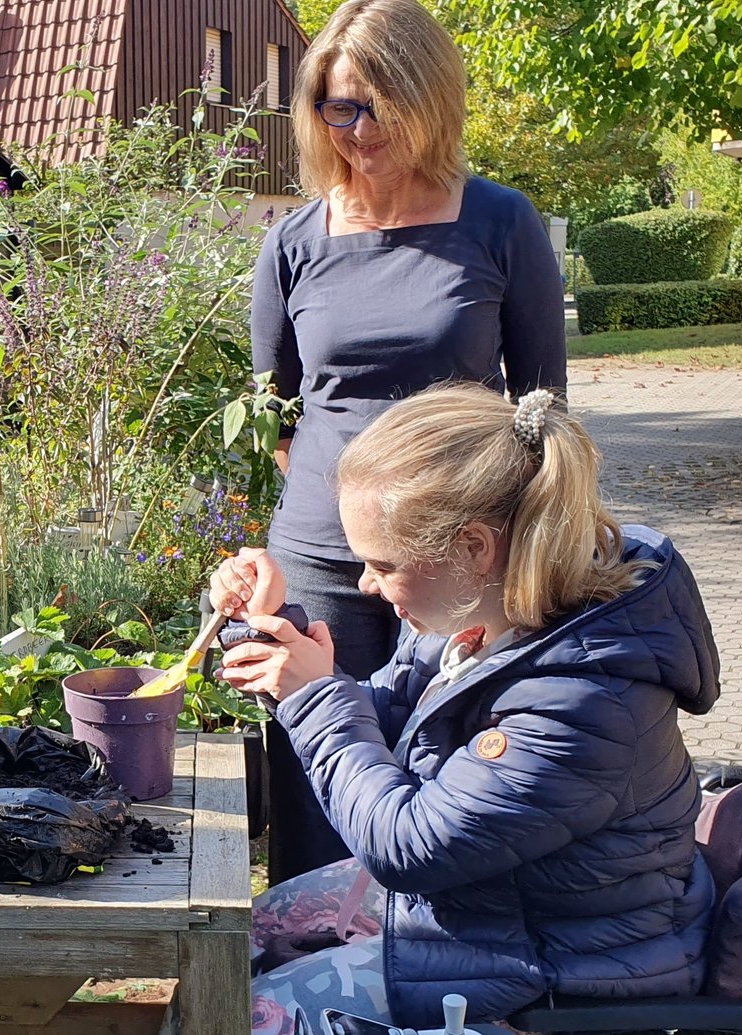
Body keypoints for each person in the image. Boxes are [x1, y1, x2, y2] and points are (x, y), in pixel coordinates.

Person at [115, 386, 718, 1035]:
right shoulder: (500, 612)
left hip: (550, 967)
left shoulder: (586, 699)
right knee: (240, 938)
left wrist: (312, 697)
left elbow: (407, 847)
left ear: (474, 546)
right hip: (502, 906)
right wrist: (281, 631)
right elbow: (386, 713)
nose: (366, 583)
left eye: (382, 562)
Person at [250, 0, 568, 879]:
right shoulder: (293, 243)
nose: (357, 129)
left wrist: (508, 555)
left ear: (430, 97)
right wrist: (358, 510)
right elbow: (279, 412)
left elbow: (543, 413)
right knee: (320, 796)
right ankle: (311, 988)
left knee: (452, 782)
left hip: (467, 565)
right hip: (324, 560)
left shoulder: (501, 223)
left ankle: (439, 987)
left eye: (378, 104)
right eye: (336, 108)